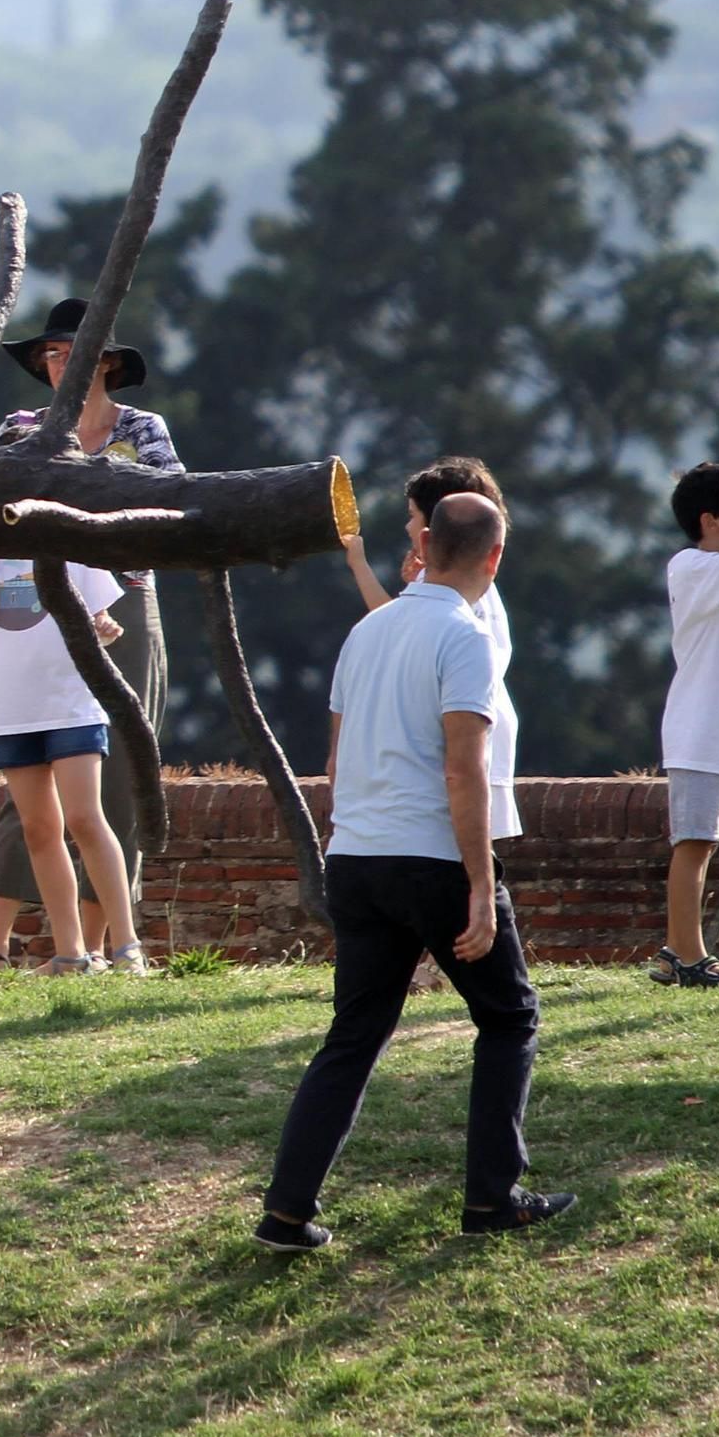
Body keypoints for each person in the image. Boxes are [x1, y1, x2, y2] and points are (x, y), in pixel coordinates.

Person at [256, 492, 570, 1251]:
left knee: (354, 1033)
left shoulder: (368, 631)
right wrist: (479, 887)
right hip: (429, 856)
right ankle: (494, 1198)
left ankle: (287, 1210)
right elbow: (465, 772)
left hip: (356, 858)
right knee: (509, 1017)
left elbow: (334, 762)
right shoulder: (465, 637)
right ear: (493, 559)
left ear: (424, 543)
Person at [0, 298, 178, 969]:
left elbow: (177, 509)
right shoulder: (18, 429)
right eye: (50, 355)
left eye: (70, 351)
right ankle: (13, 943)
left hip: (122, 604)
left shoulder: (142, 430)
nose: (58, 363)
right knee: (31, 792)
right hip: (20, 615)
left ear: (107, 362)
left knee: (109, 780)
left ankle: (108, 941)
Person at [0, 554, 139, 974]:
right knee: (38, 829)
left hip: (71, 704)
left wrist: (104, 628)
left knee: (85, 818)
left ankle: (126, 947)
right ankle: (71, 954)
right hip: (10, 708)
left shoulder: (66, 545)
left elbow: (100, 618)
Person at [344, 458, 523, 857]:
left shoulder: (453, 590)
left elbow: (393, 629)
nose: (407, 528)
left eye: (412, 517)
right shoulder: (476, 587)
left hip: (466, 743)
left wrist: (359, 565)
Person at [652, 462, 719, 988]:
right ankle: (683, 954)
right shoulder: (691, 565)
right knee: (694, 843)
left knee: (705, 843)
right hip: (698, 730)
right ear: (711, 519)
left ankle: (681, 954)